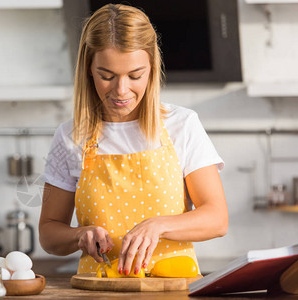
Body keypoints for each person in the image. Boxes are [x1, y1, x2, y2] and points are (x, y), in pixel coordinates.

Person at [39, 3, 228, 276]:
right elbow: (49, 233)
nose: (121, 90)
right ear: (88, 69)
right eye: (107, 76)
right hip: (99, 291)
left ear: (151, 68)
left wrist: (159, 225)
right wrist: (79, 234)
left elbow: (217, 218)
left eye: (135, 75)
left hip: (172, 290)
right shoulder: (71, 136)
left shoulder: (182, 125)